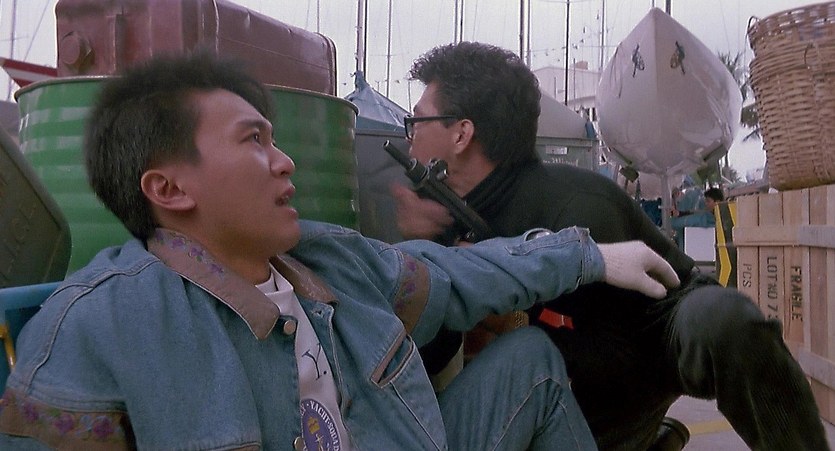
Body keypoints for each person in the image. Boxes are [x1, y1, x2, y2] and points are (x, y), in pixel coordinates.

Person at [0, 52, 680, 450]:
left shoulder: (325, 261)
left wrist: (590, 256)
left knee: (529, 358)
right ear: (169, 188)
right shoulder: (96, 330)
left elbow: (457, 274)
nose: (286, 161)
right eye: (254, 140)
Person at [392, 41, 829, 451]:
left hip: (622, 380)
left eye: (418, 120)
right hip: (552, 402)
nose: (410, 135)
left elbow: (630, 345)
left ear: (461, 134)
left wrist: (509, 308)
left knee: (725, 319)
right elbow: (424, 363)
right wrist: (426, 268)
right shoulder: (439, 223)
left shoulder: (577, 207)